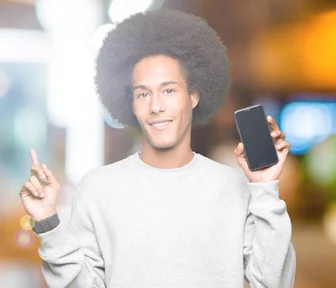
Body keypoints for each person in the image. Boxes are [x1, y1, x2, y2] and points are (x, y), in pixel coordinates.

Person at [18, 9, 296, 288]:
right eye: (143, 93)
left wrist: (265, 188)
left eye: (169, 90)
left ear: (194, 96)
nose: (156, 106)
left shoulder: (232, 186)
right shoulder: (98, 188)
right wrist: (47, 223)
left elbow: (273, 283)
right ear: (132, 105)